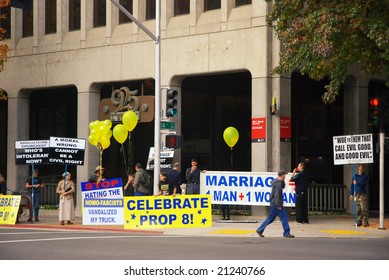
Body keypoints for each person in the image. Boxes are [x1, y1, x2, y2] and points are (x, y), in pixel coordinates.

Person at [256, 170, 295, 238]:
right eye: (284, 175)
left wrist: (282, 181)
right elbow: (277, 195)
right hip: (277, 204)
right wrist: (278, 205)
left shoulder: (277, 182)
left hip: (273, 203)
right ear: (282, 175)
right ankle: (286, 233)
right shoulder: (278, 184)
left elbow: (283, 187)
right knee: (284, 218)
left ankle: (260, 229)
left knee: (270, 218)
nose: (285, 176)